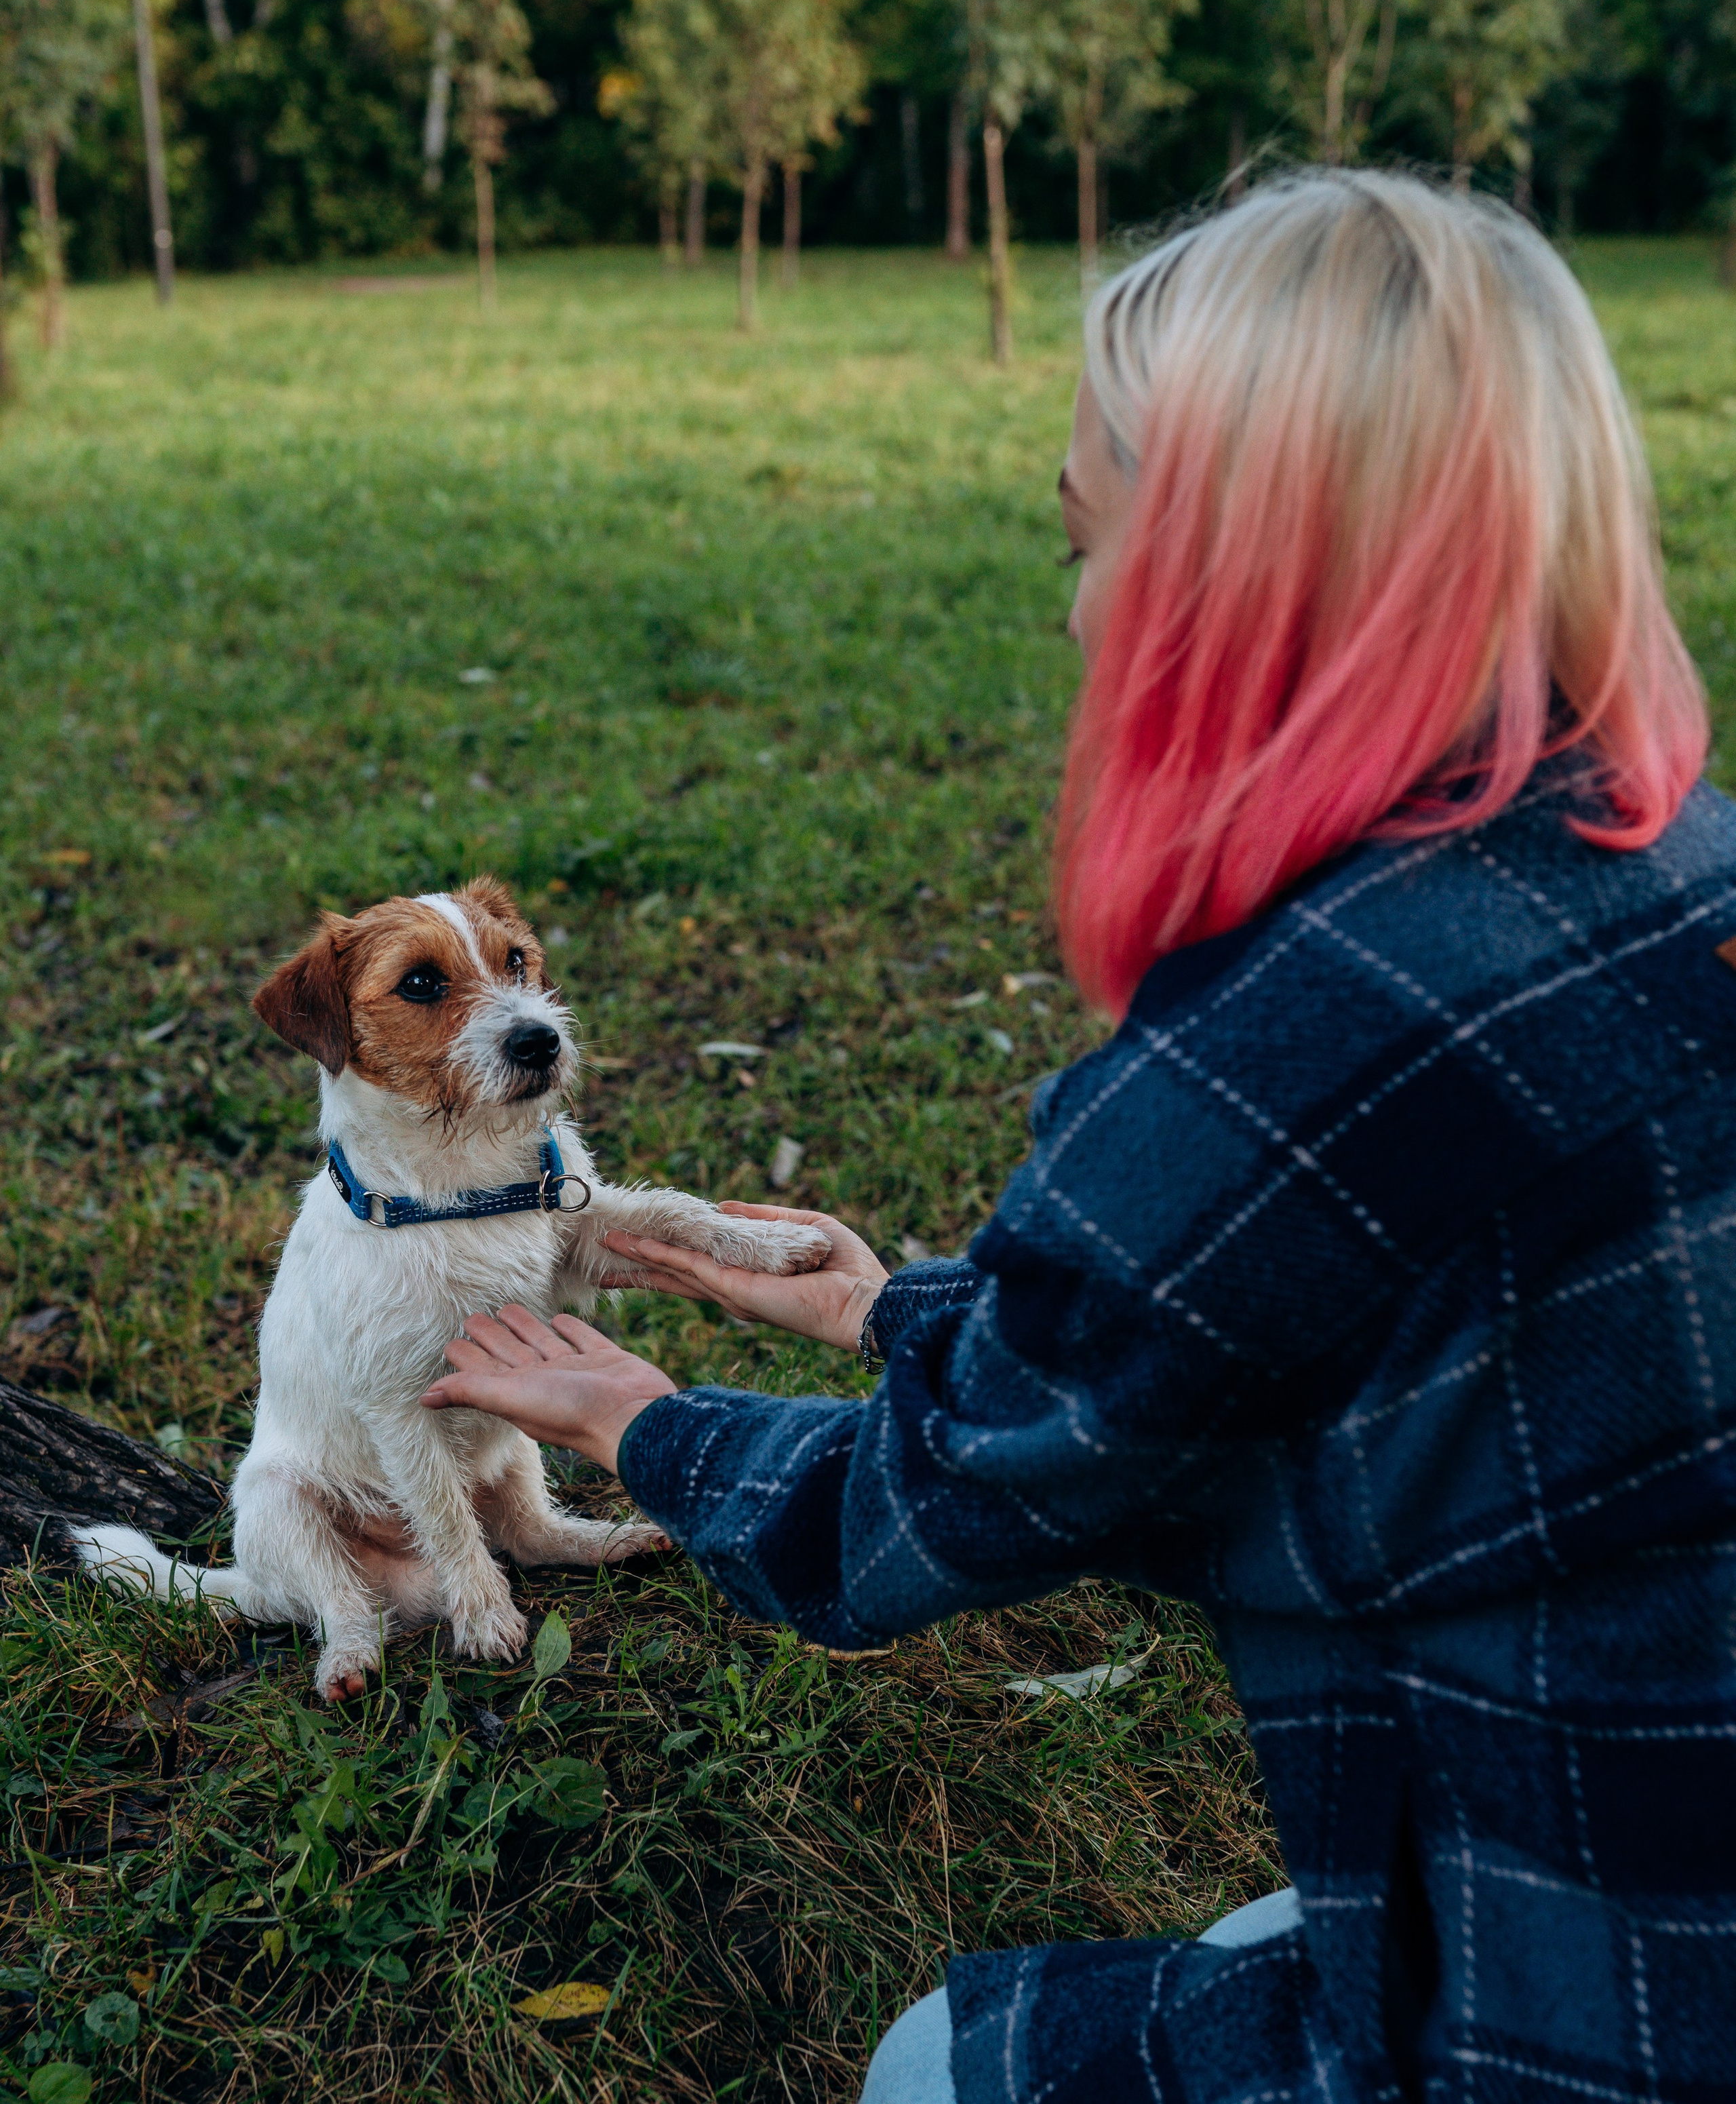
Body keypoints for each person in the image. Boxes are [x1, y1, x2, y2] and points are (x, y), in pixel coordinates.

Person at [420, 172, 1736, 2104]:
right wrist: (899, 1320)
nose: (1076, 605)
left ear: (1231, 574)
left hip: (1591, 2023)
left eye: (1091, 538)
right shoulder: (1683, 861)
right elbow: (1259, 1380)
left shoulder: (1291, 1040)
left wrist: (642, 1424)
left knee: (939, 2065)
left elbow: (917, 1528)